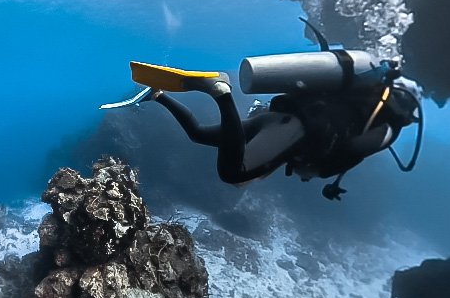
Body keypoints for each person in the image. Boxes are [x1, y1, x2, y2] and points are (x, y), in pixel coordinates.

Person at [126, 52, 419, 198]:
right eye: (305, 178)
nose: (301, 178)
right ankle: (221, 91)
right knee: (233, 172)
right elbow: (349, 153)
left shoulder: (363, 103)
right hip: (294, 128)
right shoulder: (386, 132)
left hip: (277, 115)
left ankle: (158, 96)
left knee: (199, 133)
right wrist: (328, 180)